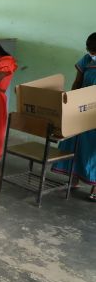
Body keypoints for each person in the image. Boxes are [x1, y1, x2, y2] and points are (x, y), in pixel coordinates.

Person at [53, 32, 96, 201]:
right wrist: (70, 101)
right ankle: (74, 177)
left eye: (95, 51)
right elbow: (78, 82)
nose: (92, 54)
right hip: (82, 109)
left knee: (94, 151)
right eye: (90, 51)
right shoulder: (86, 60)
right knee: (76, 145)